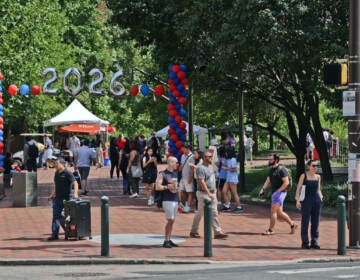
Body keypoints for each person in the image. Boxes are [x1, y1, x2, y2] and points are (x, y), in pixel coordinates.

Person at [189, 151, 228, 239]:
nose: (210, 158)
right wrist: (208, 193)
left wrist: (214, 189)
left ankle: (217, 232)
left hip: (212, 193)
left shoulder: (210, 167)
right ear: (203, 158)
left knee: (214, 212)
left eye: (211, 156)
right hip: (203, 194)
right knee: (200, 213)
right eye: (208, 156)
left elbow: (212, 179)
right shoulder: (200, 168)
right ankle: (193, 231)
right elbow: (201, 182)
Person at [259, 154, 297, 235]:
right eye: (269, 159)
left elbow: (286, 182)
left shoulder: (282, 169)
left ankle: (271, 230)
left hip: (280, 193)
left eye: (271, 159)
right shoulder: (271, 169)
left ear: (276, 160)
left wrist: (278, 191)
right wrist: (262, 189)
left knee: (273, 211)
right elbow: (268, 180)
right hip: (275, 193)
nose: (269, 160)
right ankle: (292, 224)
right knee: (279, 212)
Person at [47, 158, 78, 241]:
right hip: (57, 199)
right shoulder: (56, 173)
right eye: (55, 164)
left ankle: (70, 231)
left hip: (66, 199)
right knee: (55, 216)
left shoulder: (67, 173)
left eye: (57, 164)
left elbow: (75, 183)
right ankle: (55, 235)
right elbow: (57, 187)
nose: (55, 165)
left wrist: (75, 193)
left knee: (66, 217)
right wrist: (52, 195)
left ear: (62, 164)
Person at [295, 160, 323, 249]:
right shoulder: (304, 176)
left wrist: (321, 197)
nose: (315, 167)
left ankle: (314, 242)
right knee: (305, 221)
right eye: (313, 165)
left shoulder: (318, 177)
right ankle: (305, 242)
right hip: (306, 200)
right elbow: (298, 188)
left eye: (316, 166)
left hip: (316, 200)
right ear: (309, 166)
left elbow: (318, 189)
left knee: (316, 222)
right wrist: (297, 200)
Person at [155, 156, 180, 248]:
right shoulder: (162, 174)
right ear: (170, 163)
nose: (177, 164)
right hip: (167, 199)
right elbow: (157, 187)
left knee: (172, 221)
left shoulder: (175, 174)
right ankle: (166, 240)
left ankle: (168, 239)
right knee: (170, 220)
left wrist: (180, 200)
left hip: (175, 199)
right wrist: (167, 187)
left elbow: (177, 188)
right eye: (176, 162)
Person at [221, 148, 243, 213]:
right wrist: (223, 163)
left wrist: (226, 168)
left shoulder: (233, 160)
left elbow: (234, 169)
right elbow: (227, 166)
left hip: (232, 178)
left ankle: (239, 207)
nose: (225, 154)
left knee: (234, 193)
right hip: (228, 178)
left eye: (226, 152)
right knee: (224, 191)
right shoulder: (228, 159)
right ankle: (227, 205)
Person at [179, 143, 195, 213]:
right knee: (181, 191)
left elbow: (192, 168)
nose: (182, 149)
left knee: (190, 192)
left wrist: (190, 177)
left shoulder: (192, 157)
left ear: (188, 149)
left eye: (183, 148)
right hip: (183, 177)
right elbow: (182, 165)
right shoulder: (182, 156)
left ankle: (188, 206)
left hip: (188, 177)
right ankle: (186, 203)